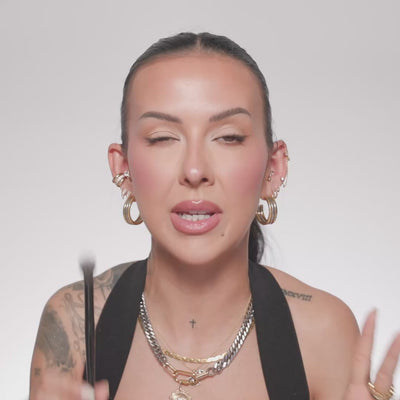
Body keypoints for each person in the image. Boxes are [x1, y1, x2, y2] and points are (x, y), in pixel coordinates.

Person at [29, 32, 400, 400]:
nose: (194, 170)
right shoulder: (76, 322)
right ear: (123, 168)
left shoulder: (322, 332)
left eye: (228, 137)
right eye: (162, 137)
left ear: (273, 169)